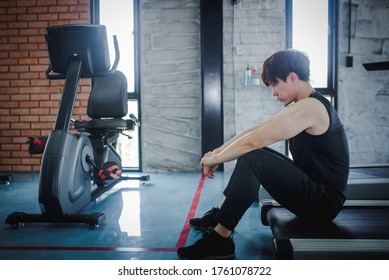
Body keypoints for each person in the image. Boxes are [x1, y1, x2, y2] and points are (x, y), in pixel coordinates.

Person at [176, 49, 350, 260]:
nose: (273, 92)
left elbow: (253, 141)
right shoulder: (301, 105)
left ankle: (220, 240)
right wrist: (215, 153)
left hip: (322, 204)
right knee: (253, 153)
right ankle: (218, 217)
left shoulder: (311, 108)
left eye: (275, 84)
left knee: (253, 157)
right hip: (313, 191)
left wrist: (214, 160)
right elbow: (253, 132)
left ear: (292, 78)